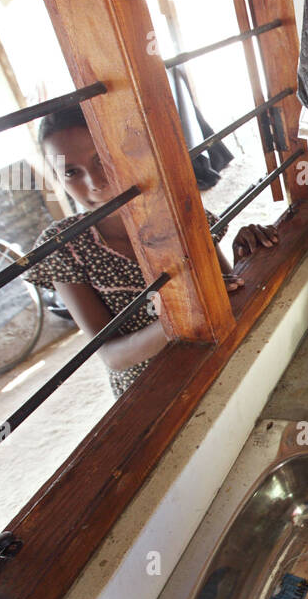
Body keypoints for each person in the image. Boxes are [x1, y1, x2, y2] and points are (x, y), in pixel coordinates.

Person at [25, 106, 279, 396]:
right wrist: (185, 313)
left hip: (216, 364)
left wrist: (246, 257)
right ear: (57, 179)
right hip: (152, 394)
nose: (94, 183)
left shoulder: (174, 211)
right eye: (71, 172)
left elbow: (224, 289)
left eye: (101, 160)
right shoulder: (64, 246)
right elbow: (111, 355)